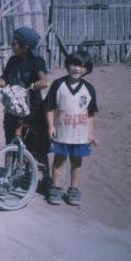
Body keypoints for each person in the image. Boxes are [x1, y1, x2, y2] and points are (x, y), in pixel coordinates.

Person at [0, 27, 51, 187]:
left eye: (14, 43)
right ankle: (8, 175)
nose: (12, 45)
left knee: (38, 145)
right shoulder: (12, 61)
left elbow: (44, 77)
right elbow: (4, 80)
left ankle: (46, 178)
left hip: (32, 109)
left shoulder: (37, 61)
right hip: (13, 107)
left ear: (25, 46)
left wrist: (42, 82)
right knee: (10, 142)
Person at [45, 51, 98, 206]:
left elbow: (90, 113)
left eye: (82, 66)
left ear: (87, 69)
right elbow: (48, 107)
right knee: (59, 161)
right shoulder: (58, 85)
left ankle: (73, 189)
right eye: (74, 64)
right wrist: (50, 126)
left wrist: (91, 133)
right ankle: (55, 187)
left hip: (80, 135)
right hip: (62, 133)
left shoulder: (89, 89)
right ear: (68, 65)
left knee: (77, 162)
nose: (77, 69)